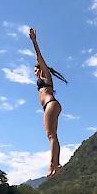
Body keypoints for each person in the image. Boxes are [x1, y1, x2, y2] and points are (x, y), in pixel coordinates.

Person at [29, 28, 68, 177]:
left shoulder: (45, 75)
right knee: (51, 135)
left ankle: (54, 164)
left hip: (51, 104)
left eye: (35, 69)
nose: (35, 72)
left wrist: (34, 41)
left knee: (52, 135)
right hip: (50, 105)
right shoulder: (44, 79)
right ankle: (55, 164)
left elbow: (39, 57)